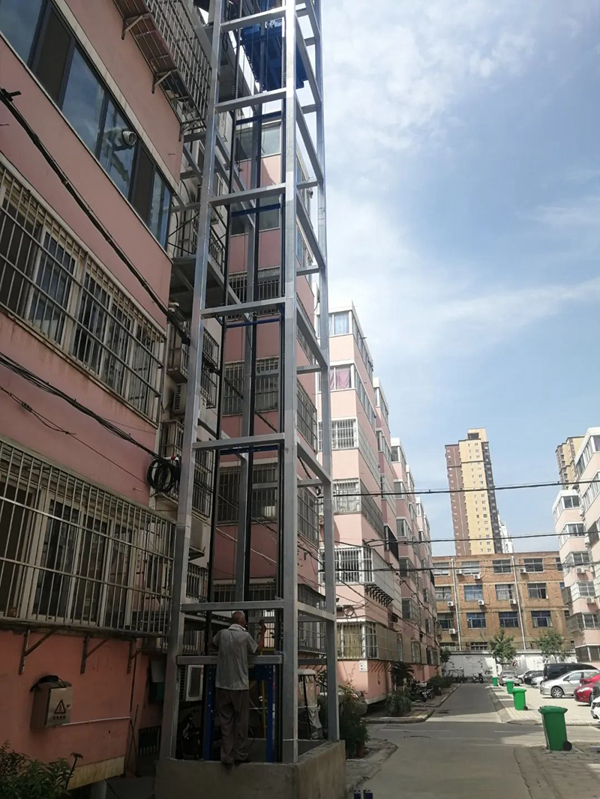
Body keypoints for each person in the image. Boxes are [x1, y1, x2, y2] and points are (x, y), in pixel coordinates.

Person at [213, 611, 266, 766]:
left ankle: (226, 756)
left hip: (222, 684)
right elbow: (257, 649)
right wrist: (263, 633)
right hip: (239, 686)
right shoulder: (244, 636)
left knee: (226, 722)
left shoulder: (222, 634)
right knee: (241, 722)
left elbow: (212, 644)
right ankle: (240, 754)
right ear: (242, 622)